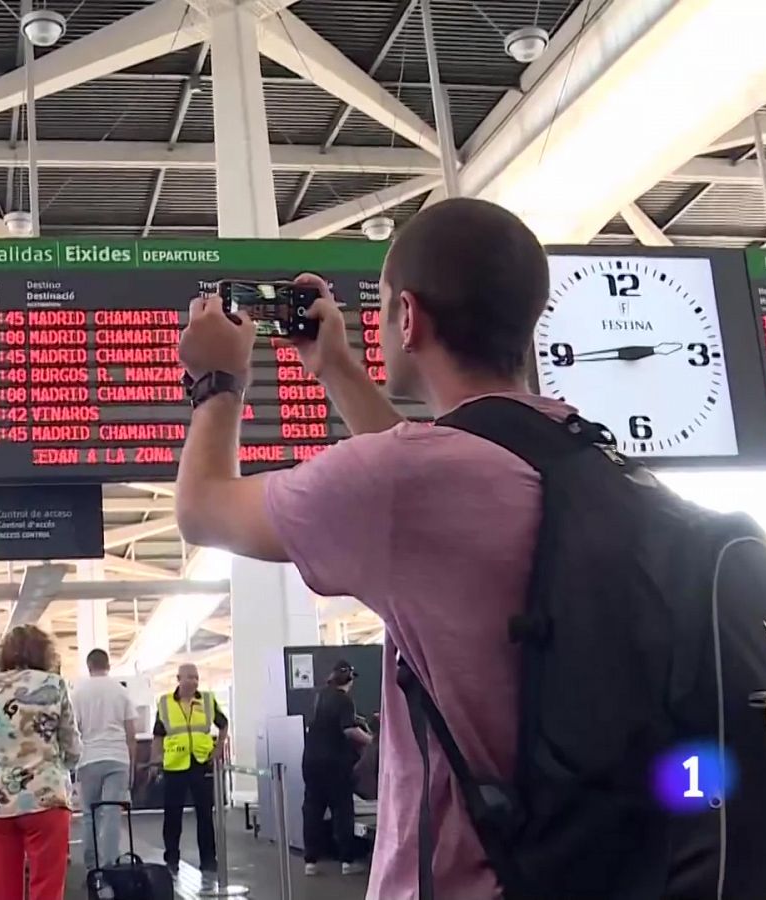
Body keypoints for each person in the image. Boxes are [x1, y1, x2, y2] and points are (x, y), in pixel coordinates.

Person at [172, 197, 555, 897]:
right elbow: (421, 476)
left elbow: (201, 511)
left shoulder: (406, 481)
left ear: (409, 319)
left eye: (380, 309)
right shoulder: (584, 452)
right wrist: (335, 369)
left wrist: (216, 386)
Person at [0, 625, 82, 900]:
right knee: (47, 890)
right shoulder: (55, 685)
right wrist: (59, 765)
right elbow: (73, 748)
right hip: (47, 799)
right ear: (46, 653)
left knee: (3, 893)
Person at [152, 662, 227, 875]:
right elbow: (158, 734)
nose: (194, 681)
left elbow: (223, 724)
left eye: (196, 677)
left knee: (205, 814)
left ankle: (208, 860)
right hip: (175, 765)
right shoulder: (165, 703)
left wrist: (219, 749)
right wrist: (157, 758)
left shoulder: (207, 700)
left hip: (201, 763)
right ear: (179, 679)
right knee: (172, 814)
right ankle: (172, 858)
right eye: (189, 677)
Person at [301, 660, 372, 877]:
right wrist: (372, 741)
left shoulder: (319, 696)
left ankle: (310, 861)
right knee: (342, 810)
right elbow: (349, 731)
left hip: (311, 761)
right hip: (335, 763)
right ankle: (347, 861)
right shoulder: (344, 700)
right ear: (349, 679)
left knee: (313, 809)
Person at [71, 648, 138, 875]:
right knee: (110, 812)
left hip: (88, 758)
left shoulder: (78, 693)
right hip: (118, 757)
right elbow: (131, 733)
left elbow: (74, 730)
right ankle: (110, 866)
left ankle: (92, 867)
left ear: (89, 666)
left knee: (90, 813)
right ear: (108, 665)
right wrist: (132, 764)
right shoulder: (121, 692)